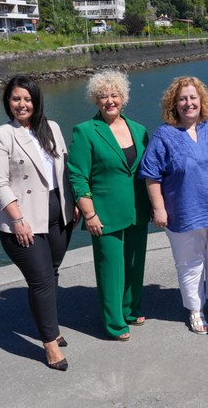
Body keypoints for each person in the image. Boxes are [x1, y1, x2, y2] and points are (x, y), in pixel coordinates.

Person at [0, 75, 77, 370]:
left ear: (36, 101)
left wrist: (73, 203)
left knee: (51, 274)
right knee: (40, 280)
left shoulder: (52, 128)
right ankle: (50, 344)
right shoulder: (0, 135)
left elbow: (65, 168)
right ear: (8, 102)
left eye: (27, 99)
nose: (21, 104)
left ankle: (50, 326)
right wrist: (18, 220)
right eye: (16, 99)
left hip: (58, 213)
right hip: (24, 220)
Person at [139, 76, 208, 336]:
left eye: (193, 98)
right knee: (190, 263)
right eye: (182, 99)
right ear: (174, 104)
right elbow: (152, 175)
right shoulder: (164, 135)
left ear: (201, 100)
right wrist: (159, 208)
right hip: (182, 212)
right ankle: (195, 309)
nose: (188, 103)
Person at [67, 70, 151, 341]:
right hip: (103, 212)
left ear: (123, 98)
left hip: (138, 209)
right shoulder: (85, 131)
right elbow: (77, 175)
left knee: (134, 264)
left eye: (114, 95)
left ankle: (130, 308)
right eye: (103, 96)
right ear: (95, 100)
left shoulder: (139, 130)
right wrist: (89, 212)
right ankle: (114, 322)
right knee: (110, 268)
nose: (109, 101)